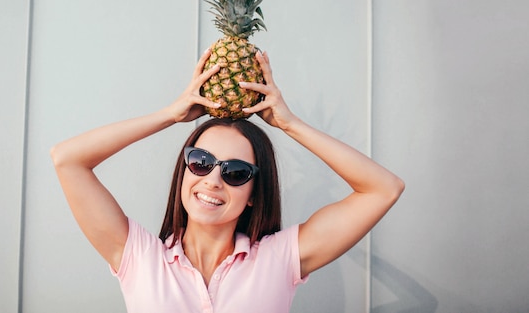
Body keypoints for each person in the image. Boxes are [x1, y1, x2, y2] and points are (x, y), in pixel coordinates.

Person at [50, 49, 405, 312]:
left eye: (235, 172)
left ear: (253, 193)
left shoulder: (278, 259)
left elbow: (383, 189)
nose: (213, 180)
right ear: (184, 171)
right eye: (201, 162)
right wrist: (169, 115)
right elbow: (67, 160)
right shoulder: (140, 257)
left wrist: (288, 123)